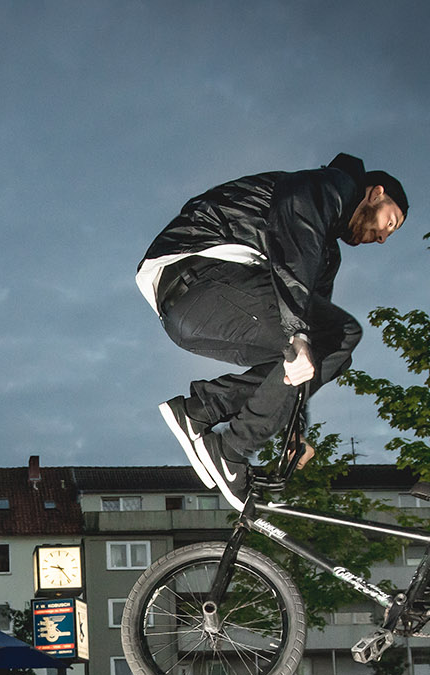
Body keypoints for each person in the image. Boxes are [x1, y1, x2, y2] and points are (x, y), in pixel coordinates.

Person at [139, 153, 408, 508]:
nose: (384, 237)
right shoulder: (331, 186)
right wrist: (297, 334)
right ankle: (231, 449)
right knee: (340, 333)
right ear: (376, 193)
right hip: (200, 276)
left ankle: (201, 410)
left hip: (199, 310)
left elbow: (306, 354)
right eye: (390, 222)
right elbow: (292, 242)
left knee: (329, 351)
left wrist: (293, 427)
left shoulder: (325, 254)